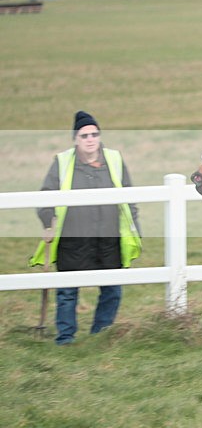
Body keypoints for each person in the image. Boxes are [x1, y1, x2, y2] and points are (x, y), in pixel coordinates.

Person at [29, 111, 141, 345]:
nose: (90, 139)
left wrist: (135, 228)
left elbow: (130, 198)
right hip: (73, 240)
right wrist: (47, 218)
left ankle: (101, 334)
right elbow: (45, 196)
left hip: (108, 239)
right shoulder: (61, 162)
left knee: (112, 291)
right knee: (67, 292)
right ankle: (66, 338)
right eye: (84, 135)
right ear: (75, 139)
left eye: (94, 134)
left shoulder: (115, 160)